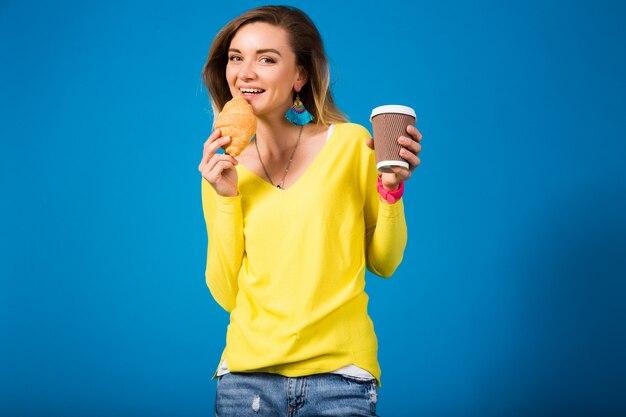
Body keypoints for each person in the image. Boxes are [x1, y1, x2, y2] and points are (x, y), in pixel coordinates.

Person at [198, 6, 422, 416]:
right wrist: (227, 197)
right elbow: (225, 292)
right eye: (236, 57)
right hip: (246, 380)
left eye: (266, 59)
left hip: (340, 379)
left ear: (299, 76)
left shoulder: (352, 145)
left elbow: (385, 262)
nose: (245, 72)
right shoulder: (221, 168)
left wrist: (391, 190)